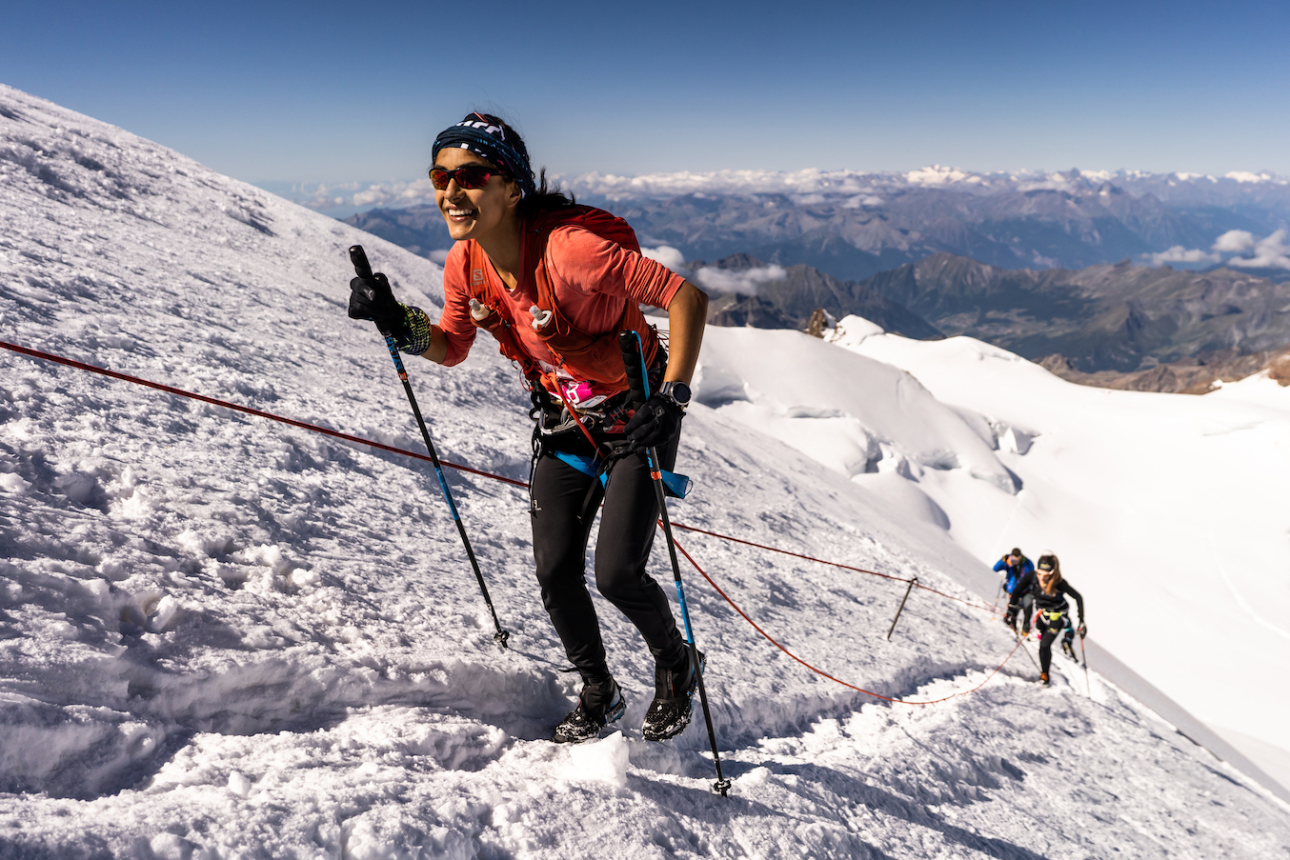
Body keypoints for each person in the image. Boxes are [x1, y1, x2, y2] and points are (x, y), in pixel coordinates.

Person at [347, 112, 710, 744]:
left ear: (512, 186)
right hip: (563, 421)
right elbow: (452, 345)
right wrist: (395, 320)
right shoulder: (465, 265)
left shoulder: (573, 251)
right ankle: (599, 694)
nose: (451, 192)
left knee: (618, 573)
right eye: (440, 176)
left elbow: (685, 298)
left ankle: (678, 666)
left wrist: (672, 399)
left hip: (639, 417)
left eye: (472, 176)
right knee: (554, 570)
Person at [1006, 552, 1086, 685]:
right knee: (1041, 642)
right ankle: (1047, 662)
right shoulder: (1031, 577)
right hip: (1042, 615)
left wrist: (1081, 620)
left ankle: (1045, 676)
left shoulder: (1059, 583)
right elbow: (1016, 591)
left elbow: (1078, 597)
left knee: (1044, 645)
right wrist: (1011, 611)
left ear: (1053, 573)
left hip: (1058, 616)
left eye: (1046, 575)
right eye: (1039, 573)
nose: (1042, 578)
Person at [995, 548, 1034, 634]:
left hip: (1025, 591)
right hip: (1013, 591)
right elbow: (995, 568)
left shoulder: (1027, 563)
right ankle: (1013, 628)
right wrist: (1002, 561)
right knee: (1013, 611)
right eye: (1014, 560)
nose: (1016, 561)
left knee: (1028, 609)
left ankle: (1025, 630)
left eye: (1018, 560)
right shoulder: (1008, 562)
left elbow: (1032, 576)